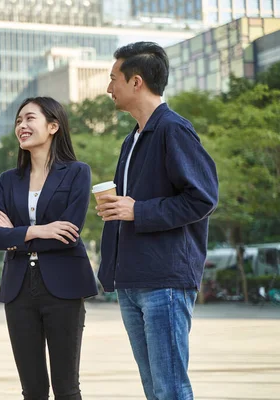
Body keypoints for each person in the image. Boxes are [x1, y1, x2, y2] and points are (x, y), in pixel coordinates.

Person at [97, 42, 219, 400]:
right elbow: (135, 203)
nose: (108, 89)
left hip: (164, 280)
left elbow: (202, 197)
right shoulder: (131, 139)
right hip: (133, 279)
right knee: (154, 388)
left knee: (170, 388)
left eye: (113, 79)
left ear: (136, 82)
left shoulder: (174, 130)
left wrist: (139, 210)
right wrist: (119, 210)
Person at [0, 97, 98, 400]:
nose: (22, 126)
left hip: (64, 287)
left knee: (66, 388)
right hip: (18, 291)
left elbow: (68, 233)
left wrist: (15, 235)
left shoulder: (77, 172)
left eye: (30, 118)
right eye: (19, 121)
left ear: (53, 125)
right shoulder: (8, 180)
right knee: (32, 389)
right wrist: (38, 230)